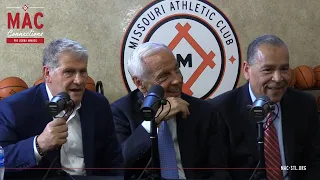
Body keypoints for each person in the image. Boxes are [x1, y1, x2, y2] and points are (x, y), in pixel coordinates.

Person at [0, 38, 123, 179]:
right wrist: (39, 145)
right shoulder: (13, 108)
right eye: (69, 72)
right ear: (47, 74)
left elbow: (114, 161)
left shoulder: (98, 104)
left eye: (83, 72)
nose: (79, 80)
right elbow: (2, 160)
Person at [111, 42, 231, 179]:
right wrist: (152, 123)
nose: (177, 80)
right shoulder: (120, 112)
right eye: (164, 76)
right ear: (139, 83)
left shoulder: (203, 111)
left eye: (177, 70)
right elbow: (117, 165)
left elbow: (218, 170)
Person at [208, 34, 320, 180]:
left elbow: (314, 162)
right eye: (268, 70)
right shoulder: (220, 110)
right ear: (247, 70)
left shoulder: (305, 104)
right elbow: (217, 171)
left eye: (284, 69)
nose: (278, 78)